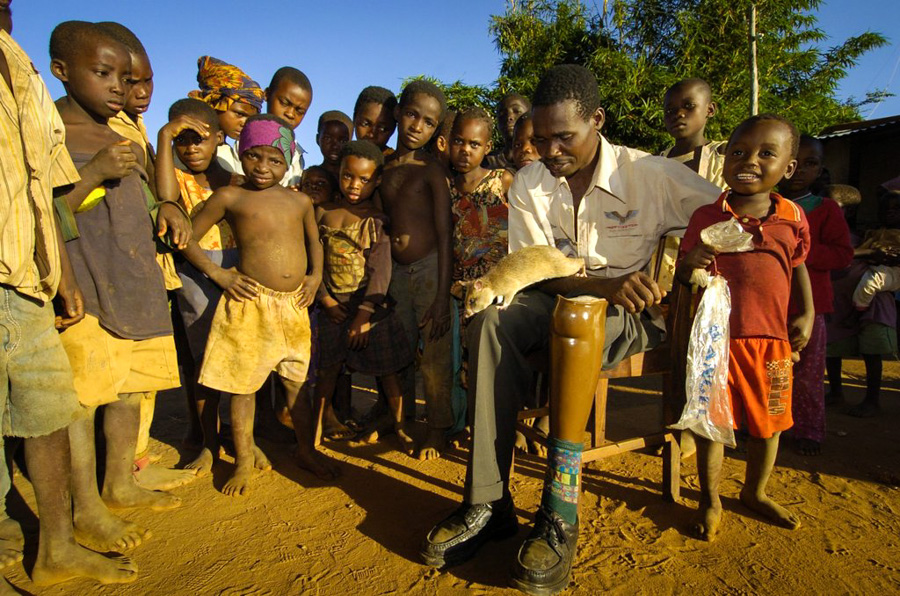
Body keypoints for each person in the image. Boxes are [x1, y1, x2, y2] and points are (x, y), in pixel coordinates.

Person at [420, 65, 720, 595]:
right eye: (541, 138)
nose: (552, 151)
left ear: (597, 121)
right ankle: (489, 502)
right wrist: (602, 286)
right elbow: (536, 274)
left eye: (565, 137)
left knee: (580, 318)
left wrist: (692, 256)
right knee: (490, 319)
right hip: (559, 302)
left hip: (630, 319)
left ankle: (559, 513)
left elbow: (724, 214)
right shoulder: (531, 184)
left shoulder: (648, 173)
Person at [0, 7, 137, 586]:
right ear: (66, 70)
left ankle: (55, 544)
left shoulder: (21, 74)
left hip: (25, 276)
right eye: (104, 74)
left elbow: (43, 189)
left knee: (48, 410)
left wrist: (63, 278)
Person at [51, 19, 191, 552]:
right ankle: (85, 506)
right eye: (105, 74)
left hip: (136, 283)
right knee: (83, 403)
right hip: (87, 287)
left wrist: (166, 212)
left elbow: (142, 205)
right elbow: (44, 214)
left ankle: (120, 483)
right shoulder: (53, 136)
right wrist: (94, 175)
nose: (118, 87)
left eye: (123, 76)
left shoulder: (118, 136)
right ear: (62, 72)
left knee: (130, 391)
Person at [181, 114, 338, 495]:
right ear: (240, 153)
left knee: (296, 384)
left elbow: (314, 243)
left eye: (274, 160)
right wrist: (219, 275)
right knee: (242, 387)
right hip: (250, 305)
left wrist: (316, 277)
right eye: (254, 156)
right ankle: (244, 461)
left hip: (294, 306)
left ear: (287, 163)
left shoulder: (299, 201)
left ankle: (305, 450)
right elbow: (186, 239)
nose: (263, 167)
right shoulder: (230, 197)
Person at [677, 114, 814, 542]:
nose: (748, 161)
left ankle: (755, 491)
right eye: (738, 152)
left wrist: (806, 312)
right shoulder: (707, 215)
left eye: (765, 153)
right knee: (711, 423)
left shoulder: (791, 217)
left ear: (788, 167)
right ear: (724, 159)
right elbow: (683, 273)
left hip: (770, 343)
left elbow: (798, 265)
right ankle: (711, 500)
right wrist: (694, 260)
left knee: (768, 424)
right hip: (715, 343)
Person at [96, 20, 194, 492]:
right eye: (127, 81)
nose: (136, 90)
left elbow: (161, 196)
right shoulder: (99, 129)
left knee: (143, 378)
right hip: (120, 272)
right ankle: (122, 472)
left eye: (145, 80)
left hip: (148, 270)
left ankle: (131, 464)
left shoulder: (136, 130)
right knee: (121, 380)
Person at [156, 98, 241, 476]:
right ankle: (207, 442)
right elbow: (165, 199)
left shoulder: (231, 177)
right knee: (203, 364)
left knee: (240, 358)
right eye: (181, 140)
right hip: (196, 275)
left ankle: (240, 436)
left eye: (199, 139)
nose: (190, 148)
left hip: (236, 273)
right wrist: (163, 137)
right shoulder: (176, 179)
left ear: (219, 138)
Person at [315, 141, 414, 451]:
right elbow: (312, 261)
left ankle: (400, 426)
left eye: (364, 179)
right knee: (327, 370)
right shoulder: (321, 213)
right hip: (333, 307)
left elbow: (380, 271)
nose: (354, 185)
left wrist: (364, 314)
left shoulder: (376, 220)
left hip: (369, 309)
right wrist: (326, 300)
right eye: (347, 176)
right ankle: (316, 428)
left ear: (377, 181)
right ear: (339, 174)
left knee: (387, 372)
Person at [381, 80, 454, 461]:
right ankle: (403, 420)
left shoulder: (431, 170)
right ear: (398, 113)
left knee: (436, 354)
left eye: (428, 122)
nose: (417, 126)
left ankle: (438, 428)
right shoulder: (384, 166)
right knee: (400, 349)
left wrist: (442, 296)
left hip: (429, 269)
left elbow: (445, 233)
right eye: (411, 115)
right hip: (395, 273)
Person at [777, 135, 852, 455]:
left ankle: (808, 430)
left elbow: (842, 256)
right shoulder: (766, 204)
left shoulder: (826, 209)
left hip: (809, 308)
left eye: (812, 164)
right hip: (770, 306)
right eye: (798, 162)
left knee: (807, 373)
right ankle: (767, 426)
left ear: (820, 169)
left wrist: (798, 252)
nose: (802, 171)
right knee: (772, 371)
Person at [447, 107, 514, 438]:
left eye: (474, 143)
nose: (465, 150)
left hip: (500, 289)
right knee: (464, 361)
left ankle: (504, 427)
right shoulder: (446, 187)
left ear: (488, 147)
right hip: (461, 291)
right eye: (459, 141)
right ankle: (471, 424)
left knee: (499, 360)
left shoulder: (503, 181)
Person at [826, 181, 900, 417]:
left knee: (872, 351)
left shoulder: (859, 237)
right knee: (833, 349)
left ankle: (872, 399)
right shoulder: (868, 236)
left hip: (873, 307)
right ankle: (836, 392)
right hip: (840, 304)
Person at [188, 55, 265, 175]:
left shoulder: (227, 151)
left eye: (250, 119)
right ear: (215, 103)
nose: (244, 123)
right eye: (239, 114)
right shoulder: (193, 148)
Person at [661, 78, 726, 189]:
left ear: (710, 110)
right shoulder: (657, 160)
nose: (679, 114)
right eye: (669, 110)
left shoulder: (724, 154)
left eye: (688, 106)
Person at [265, 66, 312, 187]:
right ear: (267, 95)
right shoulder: (245, 139)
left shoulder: (297, 154)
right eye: (284, 103)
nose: (290, 114)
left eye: (299, 111)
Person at [483, 92, 531, 170]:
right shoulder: (487, 162)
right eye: (502, 114)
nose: (509, 117)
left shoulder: (544, 160)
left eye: (517, 111)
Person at [353, 86, 397, 155]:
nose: (372, 134)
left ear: (393, 130)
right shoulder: (339, 159)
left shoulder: (396, 164)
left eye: (382, 129)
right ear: (354, 119)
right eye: (366, 124)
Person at [316, 110, 353, 178]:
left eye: (343, 141)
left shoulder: (353, 180)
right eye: (328, 138)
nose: (335, 146)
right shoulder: (310, 177)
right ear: (318, 139)